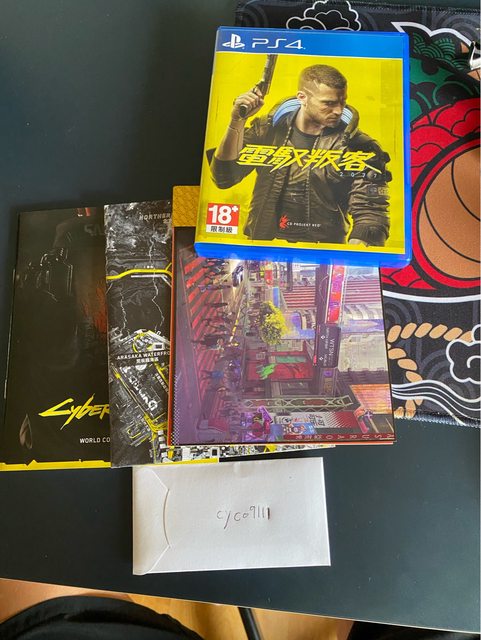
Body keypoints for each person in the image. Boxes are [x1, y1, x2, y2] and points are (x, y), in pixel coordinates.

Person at [210, 64, 391, 245]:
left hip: (323, 250)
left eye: (342, 102)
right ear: (302, 98)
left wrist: (352, 252)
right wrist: (237, 120)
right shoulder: (267, 129)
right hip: (262, 245)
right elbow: (223, 178)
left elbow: (372, 214)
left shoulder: (359, 146)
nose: (338, 110)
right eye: (328, 103)